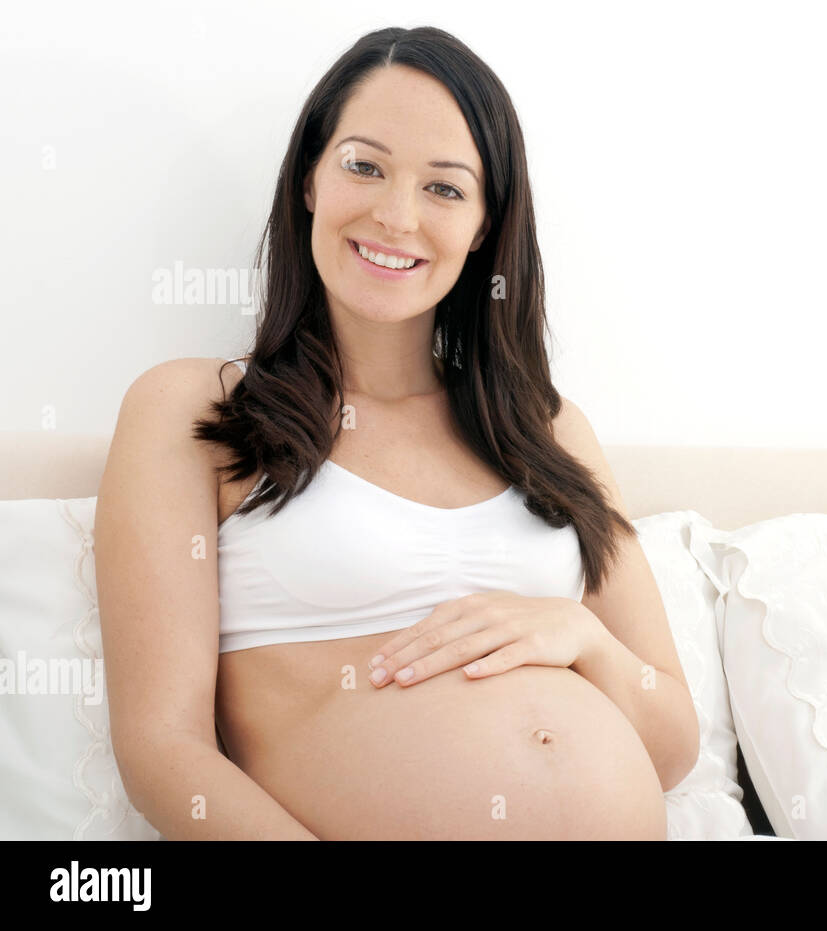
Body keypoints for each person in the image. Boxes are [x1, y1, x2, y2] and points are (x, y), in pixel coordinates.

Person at [93, 25, 699, 840]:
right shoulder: (192, 410)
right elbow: (162, 752)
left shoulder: (550, 430)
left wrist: (583, 638)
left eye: (445, 188)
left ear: (485, 224)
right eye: (364, 165)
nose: (395, 214)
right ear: (310, 177)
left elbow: (672, 744)